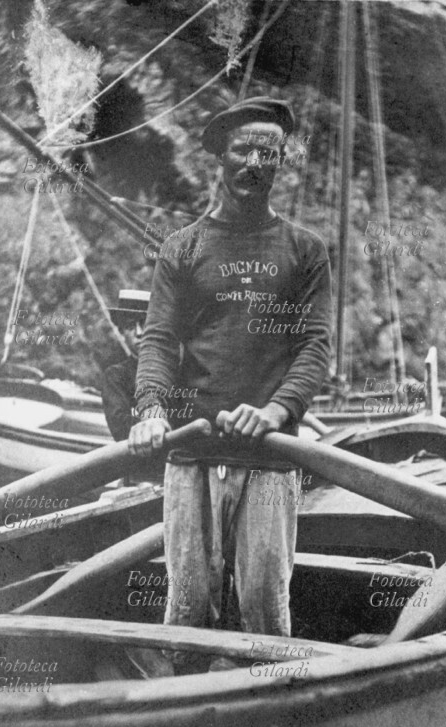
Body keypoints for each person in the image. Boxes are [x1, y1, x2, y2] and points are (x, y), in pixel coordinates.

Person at [128, 97, 332, 669]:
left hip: (269, 454)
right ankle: (185, 717)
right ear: (220, 157)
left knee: (265, 608)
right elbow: (160, 340)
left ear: (280, 162)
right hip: (190, 451)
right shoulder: (183, 247)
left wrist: (275, 412)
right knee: (187, 605)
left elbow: (313, 346)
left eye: (267, 152)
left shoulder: (306, 250)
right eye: (242, 149)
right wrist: (150, 409)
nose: (253, 162)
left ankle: (268, 722)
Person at [102, 289, 150, 442]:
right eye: (130, 326)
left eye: (145, 323)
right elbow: (121, 429)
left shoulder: (179, 370)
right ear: (122, 332)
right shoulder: (116, 376)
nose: (139, 332)